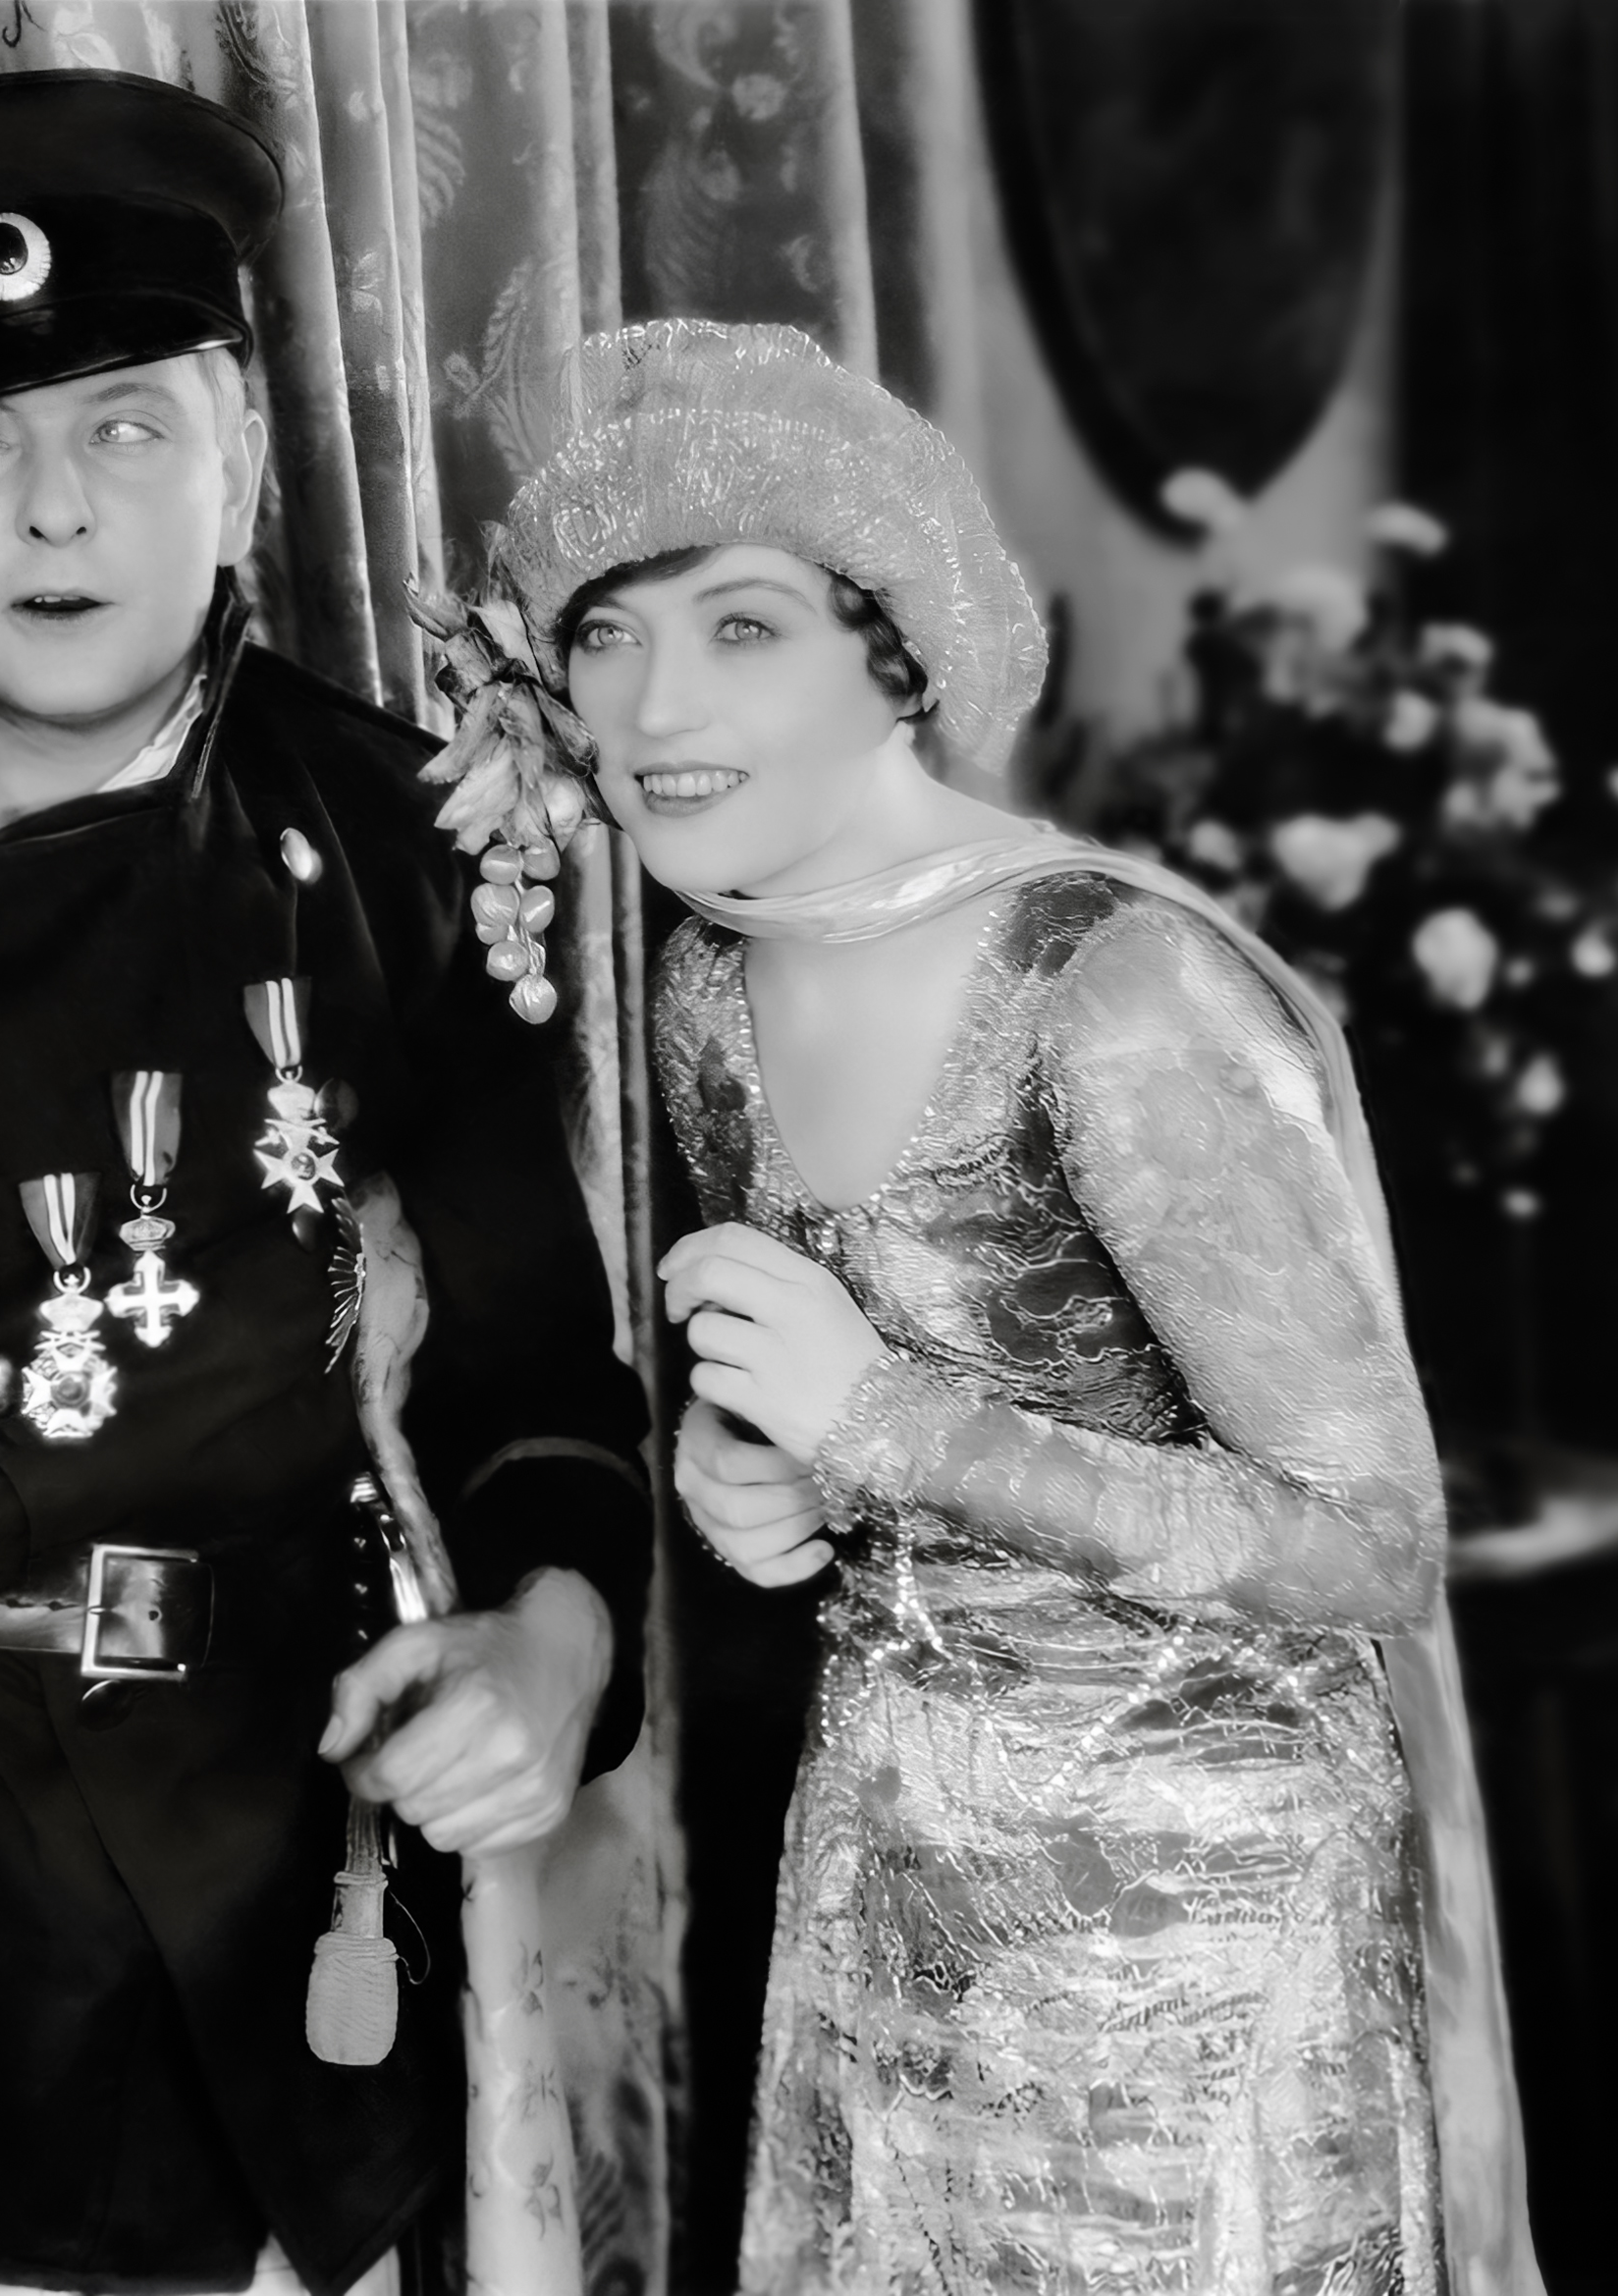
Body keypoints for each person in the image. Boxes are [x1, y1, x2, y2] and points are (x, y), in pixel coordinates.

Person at [462, 321, 1541, 2295]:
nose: (655, 703)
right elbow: (874, 1407)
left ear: (897, 659)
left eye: (742, 626)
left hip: (1199, 1931)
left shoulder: (1114, 990)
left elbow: (1372, 1539)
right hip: (895, 1875)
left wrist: (883, 1427)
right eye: (607, 634)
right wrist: (778, 1468)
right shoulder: (711, 986)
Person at [0, 74, 652, 2296]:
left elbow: (538, 1371)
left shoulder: (406, 845)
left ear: (239, 459)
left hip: (279, 1841)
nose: (58, 507)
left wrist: (556, 1638)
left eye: (128, 426)